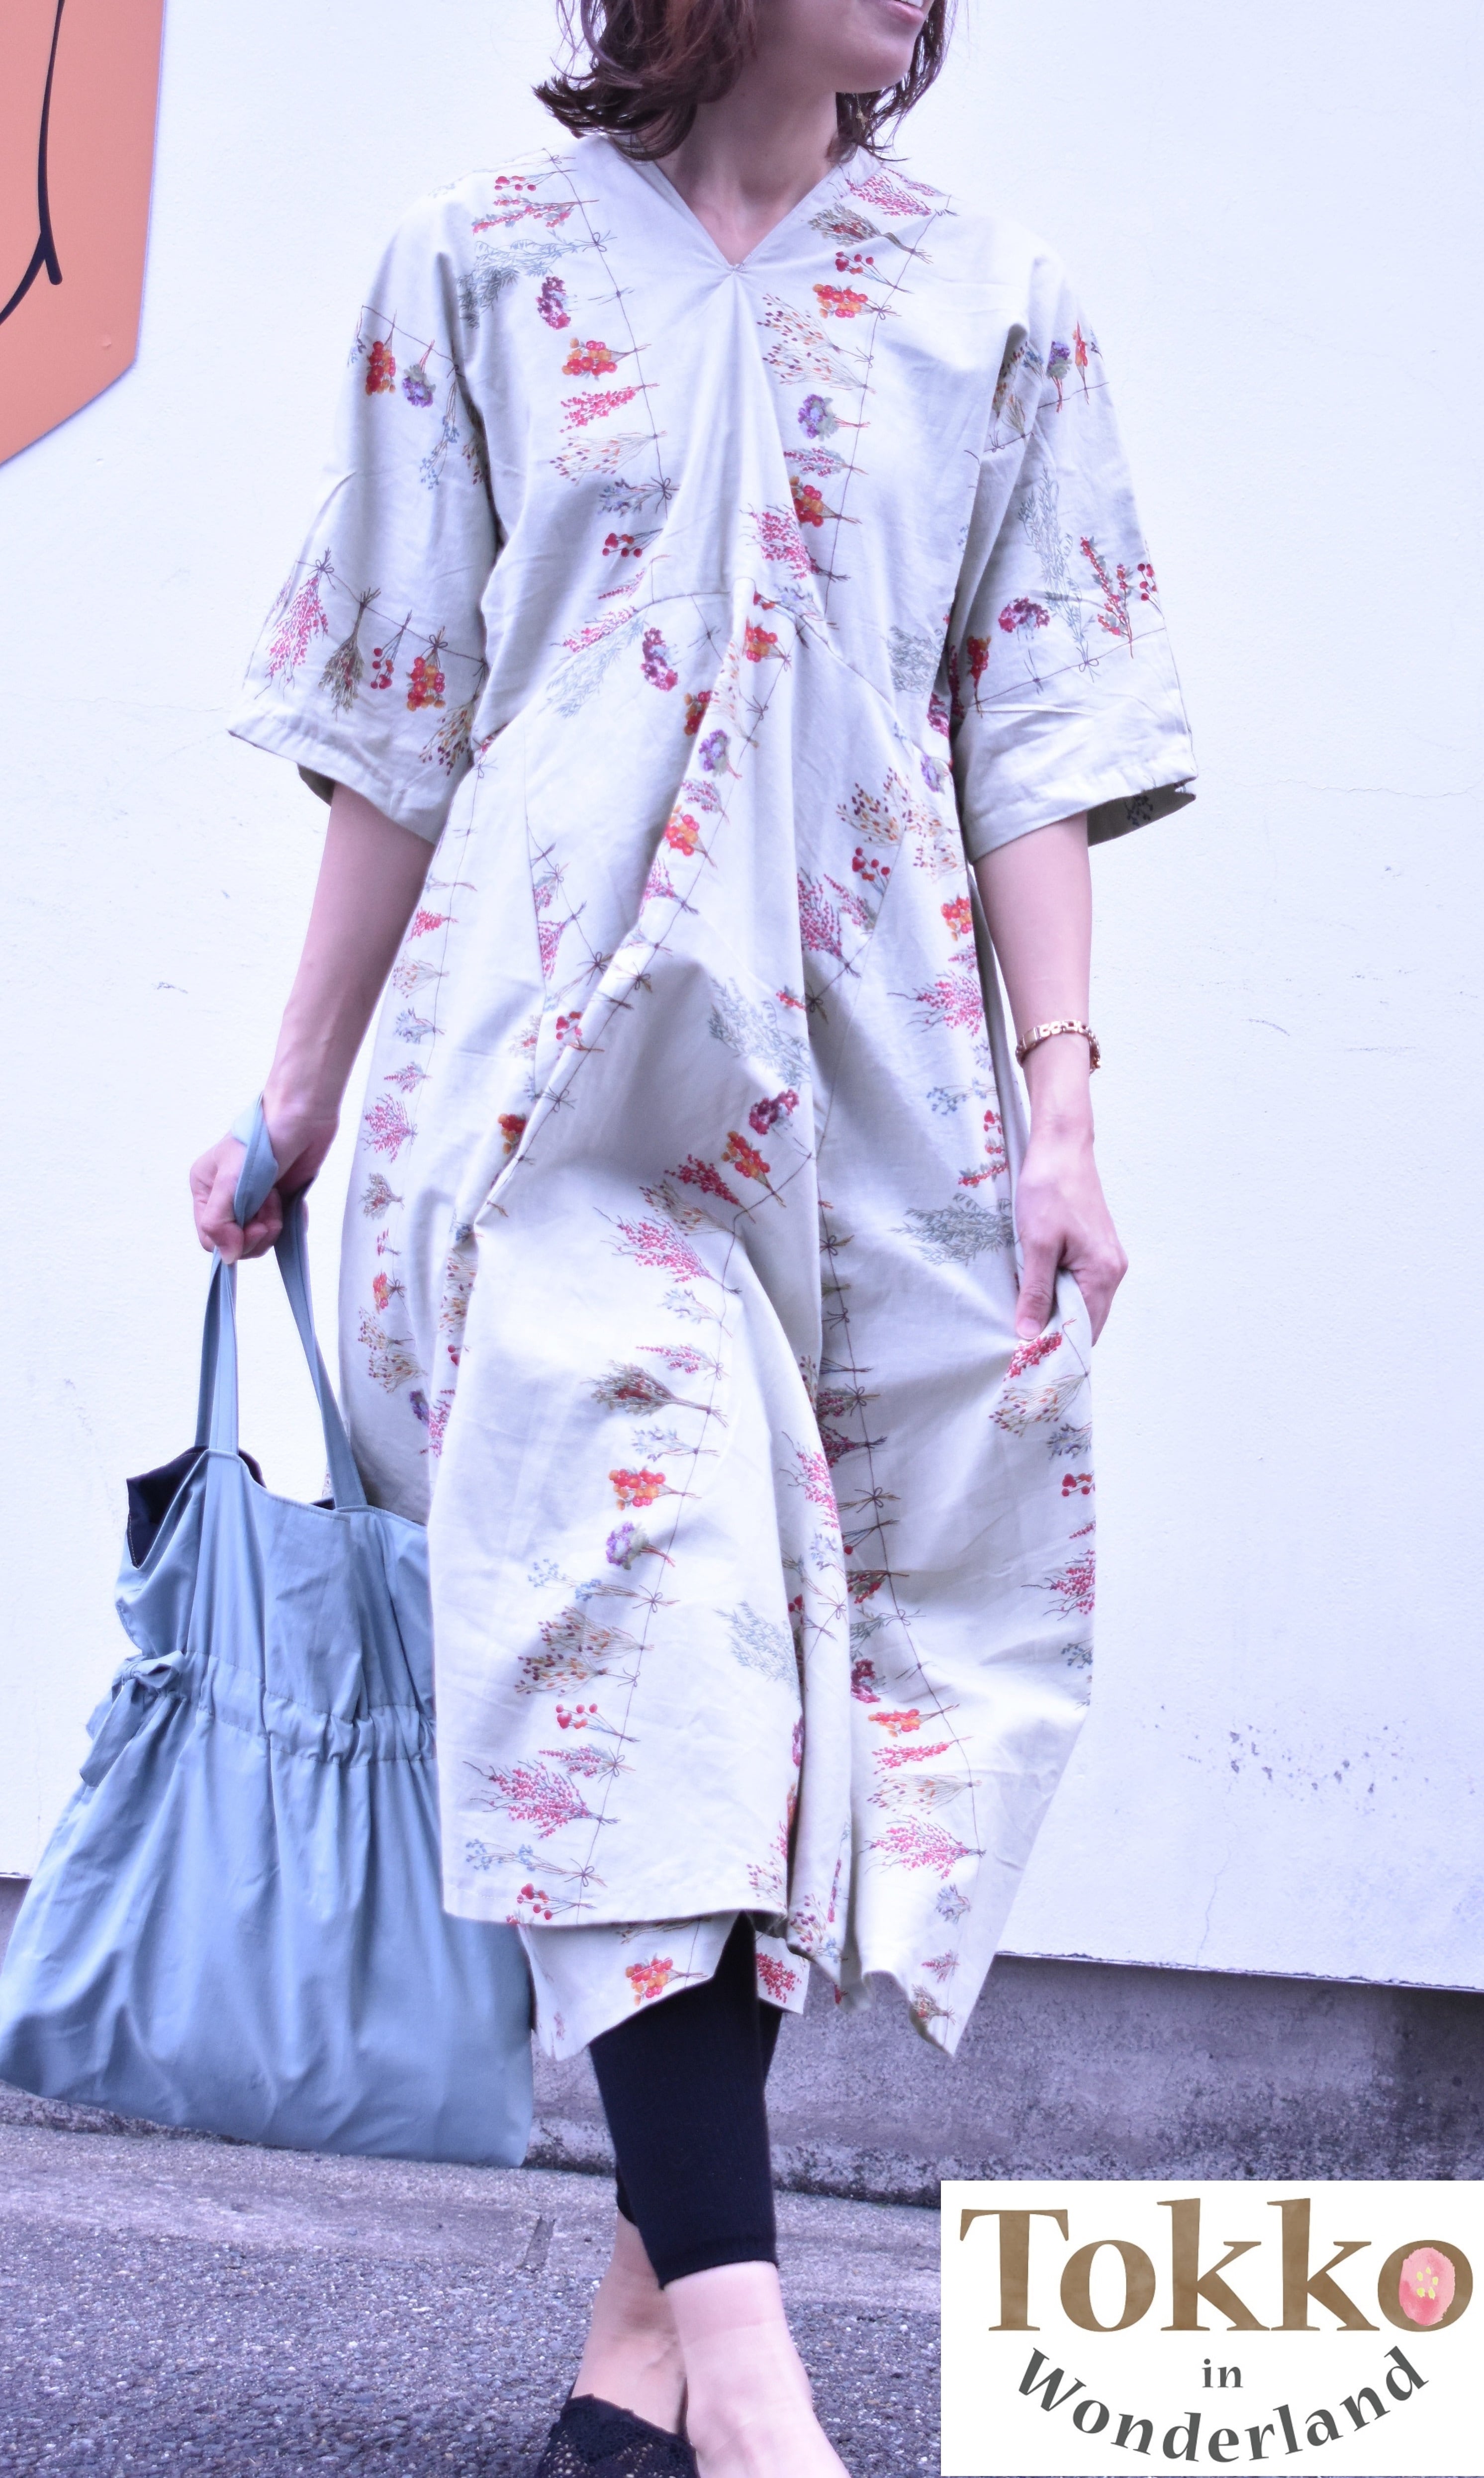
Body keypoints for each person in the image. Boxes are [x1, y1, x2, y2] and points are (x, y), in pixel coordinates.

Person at [192, 0, 1196, 2467]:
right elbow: (400, 706)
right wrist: (297, 1089)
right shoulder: (475, 269)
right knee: (640, 1617)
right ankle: (757, 2386)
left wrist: (1063, 1112)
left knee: (784, 1703)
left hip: (880, 1101)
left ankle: (632, 2368)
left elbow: (1033, 730)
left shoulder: (994, 300)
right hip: (548, 1084)